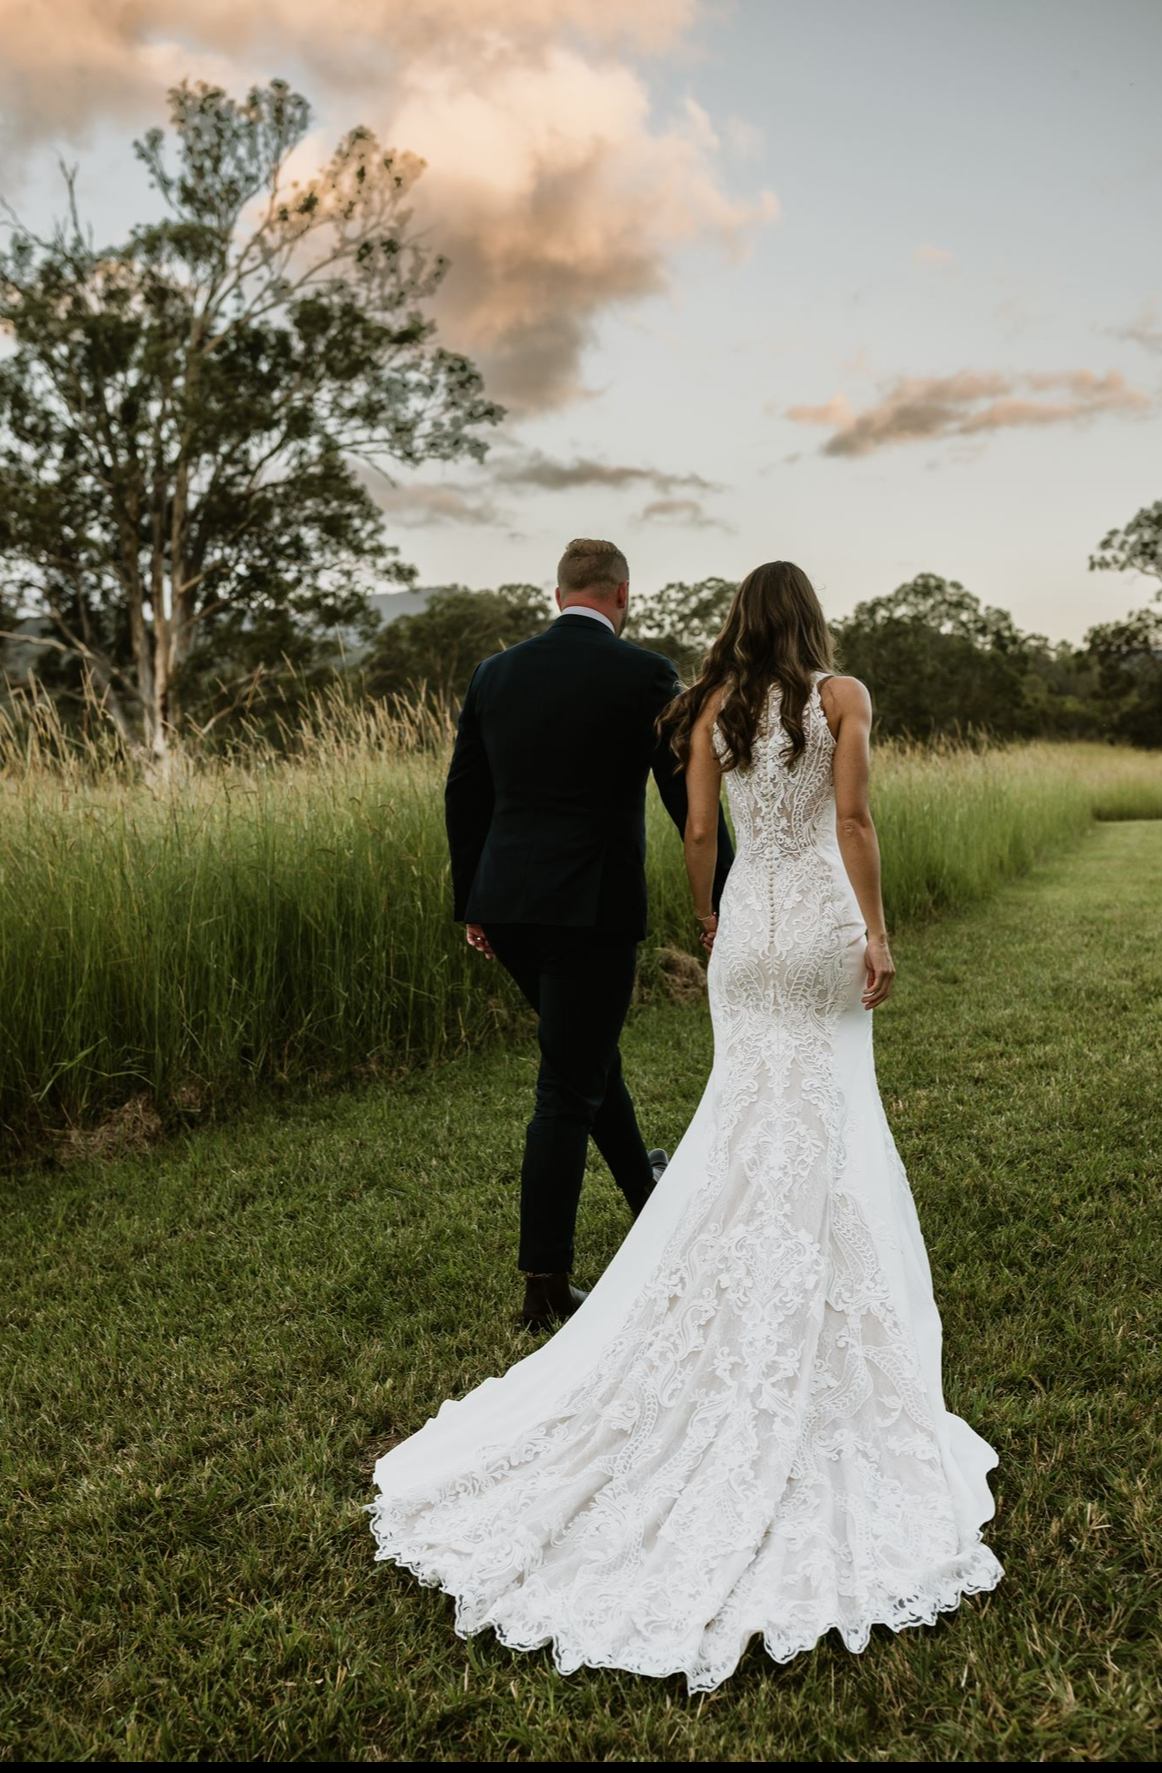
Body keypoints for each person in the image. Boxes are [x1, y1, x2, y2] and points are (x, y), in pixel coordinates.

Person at [370, 560, 1001, 1691]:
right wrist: (877, 929)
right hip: (811, 922)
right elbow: (852, 818)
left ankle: (654, 1264)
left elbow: (696, 832)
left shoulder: (701, 705)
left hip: (736, 932)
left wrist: (709, 913)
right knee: (820, 1110)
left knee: (732, 1112)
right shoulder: (840, 697)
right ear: (808, 619)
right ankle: (777, 1272)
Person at [443, 537, 732, 1329]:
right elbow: (689, 805)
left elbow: (464, 793)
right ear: (622, 595)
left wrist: (473, 899)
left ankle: (647, 1193)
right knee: (567, 1085)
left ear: (559, 592)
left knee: (586, 1053)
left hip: (507, 905)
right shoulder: (643, 673)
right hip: (590, 910)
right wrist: (728, 899)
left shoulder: (494, 673)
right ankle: (543, 1285)